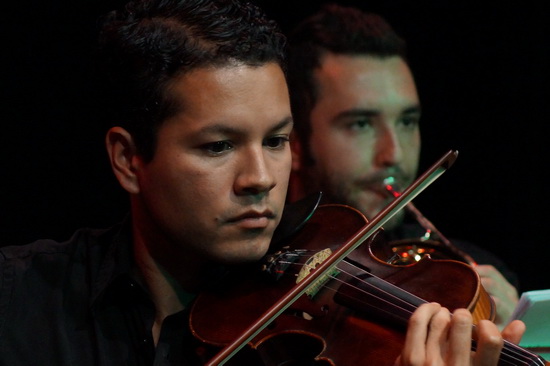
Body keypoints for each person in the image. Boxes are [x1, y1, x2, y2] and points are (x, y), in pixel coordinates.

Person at [0, 0, 524, 365]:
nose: (259, 180)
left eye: (275, 141)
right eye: (218, 147)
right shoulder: (19, 297)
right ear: (127, 160)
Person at [285, 3, 519, 329]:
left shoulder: (469, 275)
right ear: (293, 141)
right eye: (361, 124)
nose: (393, 154)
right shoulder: (244, 276)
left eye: (407, 121)